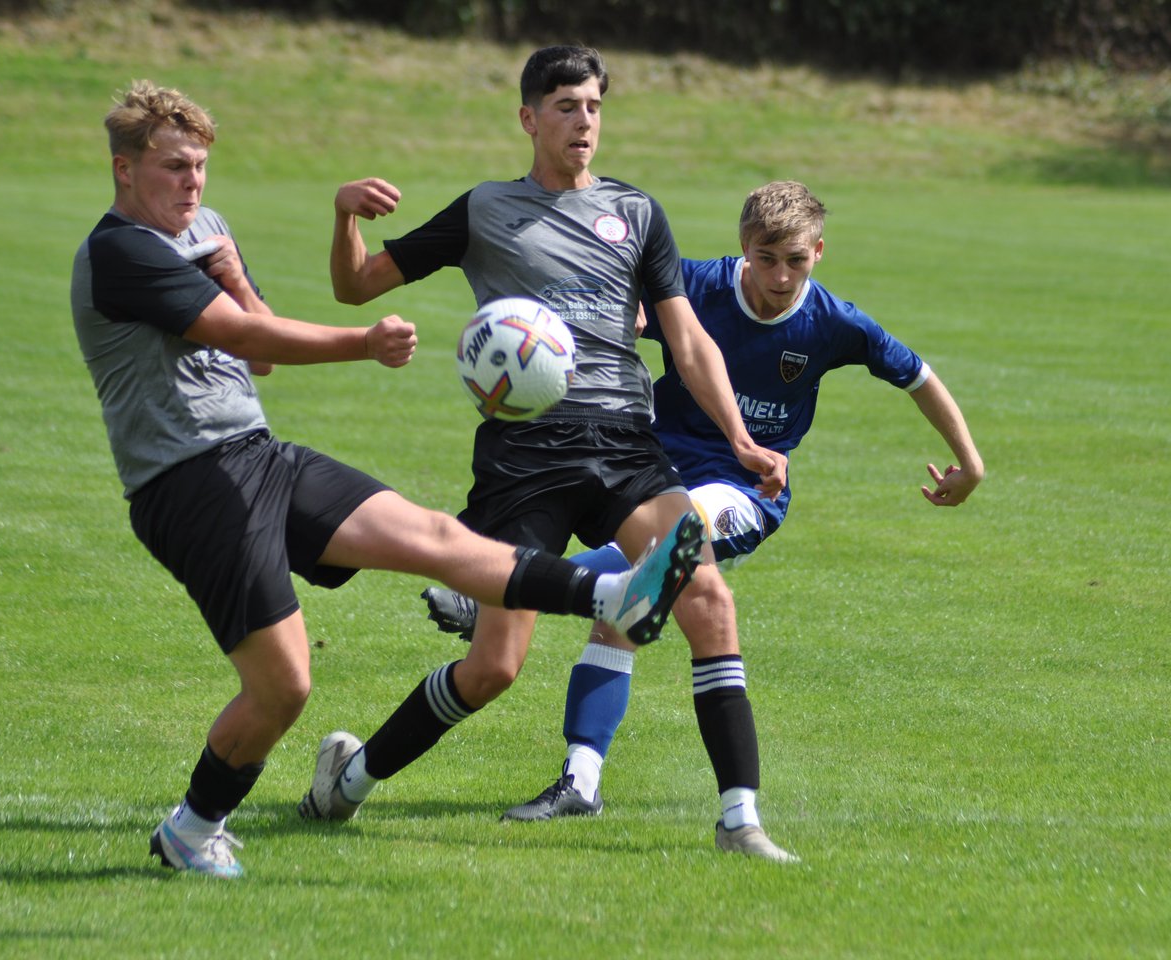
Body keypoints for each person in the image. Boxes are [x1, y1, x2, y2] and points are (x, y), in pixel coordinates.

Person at [70, 79, 704, 879]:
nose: (192, 183)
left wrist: (229, 262)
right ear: (126, 171)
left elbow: (253, 356)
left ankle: (613, 597)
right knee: (284, 688)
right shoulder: (119, 251)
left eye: (199, 167)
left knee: (439, 535)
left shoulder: (205, 228)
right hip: (186, 486)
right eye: (172, 168)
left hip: (260, 454)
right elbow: (242, 332)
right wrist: (362, 341)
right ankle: (192, 828)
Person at [307, 45, 798, 861]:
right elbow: (356, 287)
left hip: (622, 445)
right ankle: (348, 780)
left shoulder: (637, 213)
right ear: (530, 117)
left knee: (705, 596)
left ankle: (739, 819)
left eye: (595, 107)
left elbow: (685, 336)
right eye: (567, 106)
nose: (584, 122)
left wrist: (740, 439)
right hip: (523, 456)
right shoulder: (485, 210)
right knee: (495, 666)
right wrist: (344, 217)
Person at [424, 179, 985, 826]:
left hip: (746, 491)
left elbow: (917, 375)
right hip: (652, 468)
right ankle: (580, 781)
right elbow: (619, 301)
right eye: (765, 258)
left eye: (795, 260)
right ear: (742, 247)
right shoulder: (694, 285)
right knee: (625, 615)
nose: (779, 276)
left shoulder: (833, 322)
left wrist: (970, 464)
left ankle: (487, 588)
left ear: (819, 252)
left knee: (660, 554)